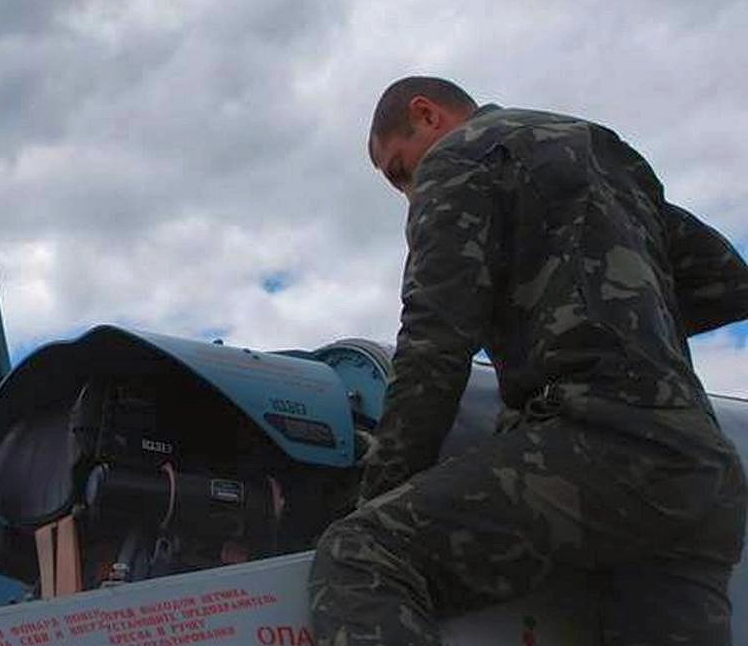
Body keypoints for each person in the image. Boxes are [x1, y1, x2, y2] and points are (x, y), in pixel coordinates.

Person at [309, 76, 748, 645]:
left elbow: (434, 345)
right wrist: (618, 324)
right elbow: (728, 283)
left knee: (361, 553)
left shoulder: (460, 157)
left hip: (602, 448)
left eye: (400, 170)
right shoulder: (606, 157)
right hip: (698, 475)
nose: (410, 192)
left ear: (427, 115)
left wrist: (377, 496)